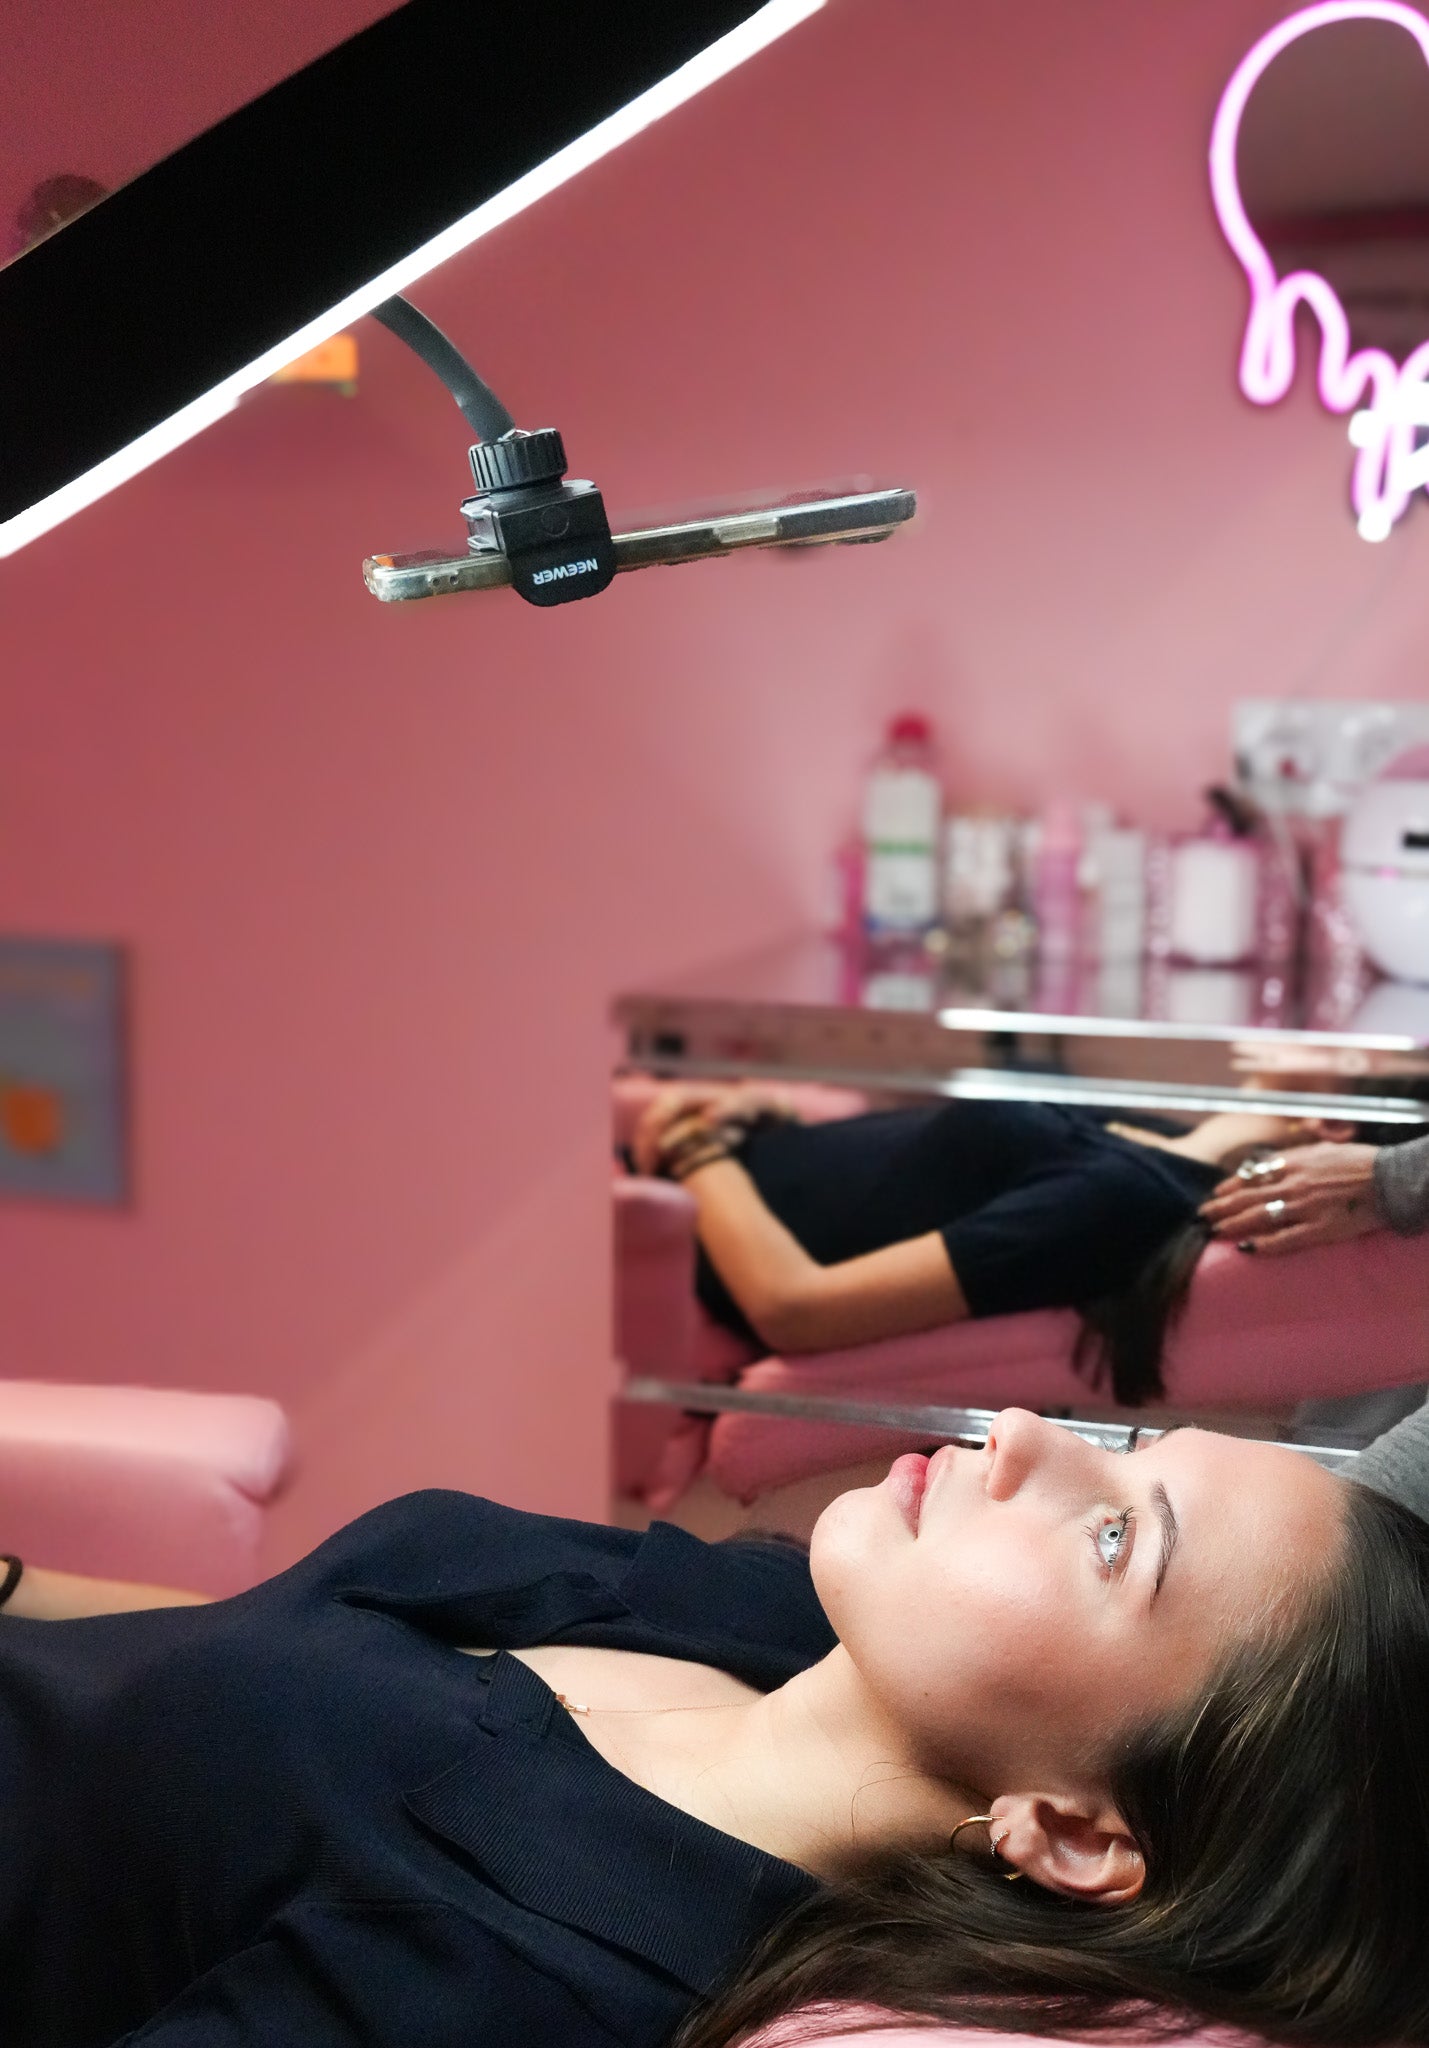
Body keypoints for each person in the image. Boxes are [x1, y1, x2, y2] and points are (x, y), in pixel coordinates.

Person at [4, 1409, 1429, 2048]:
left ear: (1069, 1832)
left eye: (1116, 1540)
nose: (1020, 1434)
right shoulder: (781, 1622)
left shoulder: (515, 1980)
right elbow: (234, 1649)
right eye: (1124, 1443)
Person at [629, 1081, 1429, 1401]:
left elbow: (793, 1308)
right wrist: (766, 1120)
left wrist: (698, 1153)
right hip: (709, 1174)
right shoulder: (1149, 1142)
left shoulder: (1122, 1198)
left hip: (664, 1233)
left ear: (1329, 1121)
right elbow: (901, 1183)